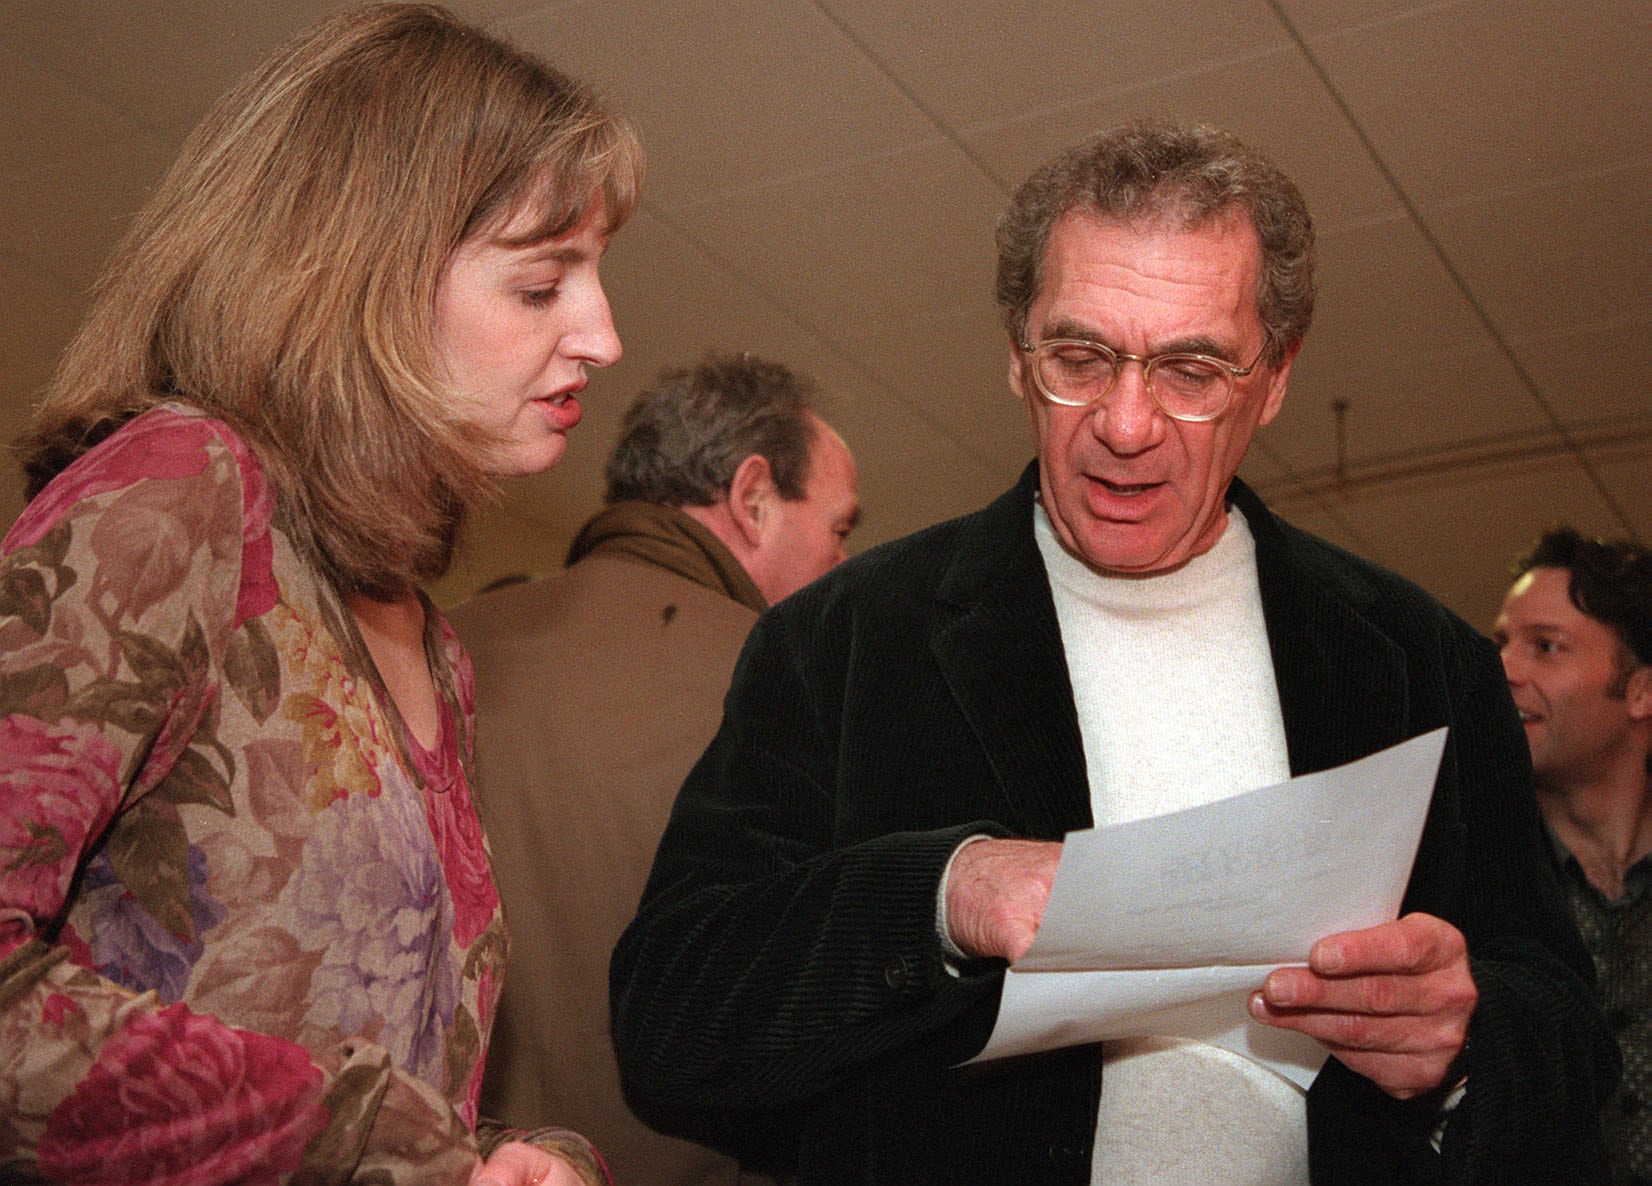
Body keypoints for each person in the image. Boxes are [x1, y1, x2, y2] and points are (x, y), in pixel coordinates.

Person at [610, 120, 1617, 1185]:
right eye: (1079, 358)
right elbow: (670, 1018)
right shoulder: (844, 641)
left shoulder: (1420, 660)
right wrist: (941, 894)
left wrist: (1460, 1042)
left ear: (1272, 379)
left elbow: (1564, 1036)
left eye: (1189, 368)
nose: (1124, 423)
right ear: (1015, 352)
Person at [0, 5, 641, 1184]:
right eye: (543, 286)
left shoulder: (424, 635)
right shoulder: (180, 488)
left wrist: (502, 1156)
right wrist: (371, 1139)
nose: (602, 334)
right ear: (365, 283)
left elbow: (341, 1050)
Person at [452, 350, 859, 1186]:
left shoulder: (434, 648)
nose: (848, 565)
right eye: (841, 528)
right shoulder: (804, 686)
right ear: (752, 498)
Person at [1494, 528, 1652, 1183]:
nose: (1504, 669)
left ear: (1641, 692)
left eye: (1545, 647)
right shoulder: (1466, 882)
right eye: (1502, 643)